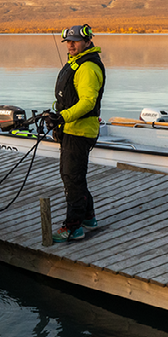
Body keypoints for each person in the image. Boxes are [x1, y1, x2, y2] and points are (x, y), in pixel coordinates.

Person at [50, 24, 106, 242]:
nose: (71, 45)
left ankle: (73, 227)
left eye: (75, 41)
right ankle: (88, 218)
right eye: (68, 41)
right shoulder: (75, 63)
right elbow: (67, 98)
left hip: (80, 131)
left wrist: (63, 117)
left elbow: (87, 102)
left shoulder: (88, 68)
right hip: (70, 128)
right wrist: (56, 114)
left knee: (73, 179)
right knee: (73, 177)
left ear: (87, 42)